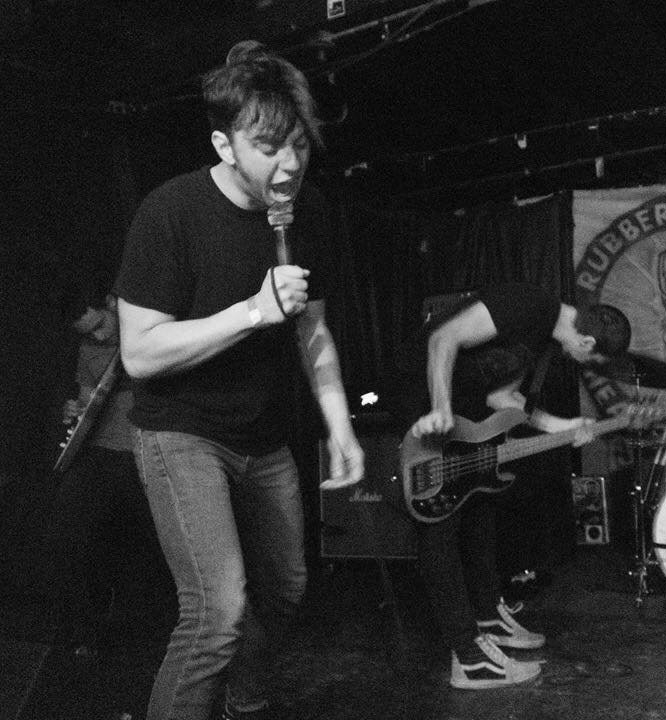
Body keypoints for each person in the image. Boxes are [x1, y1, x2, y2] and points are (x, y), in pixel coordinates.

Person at [114, 41, 364, 720]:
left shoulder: (310, 211)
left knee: (285, 590)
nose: (291, 165)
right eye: (269, 147)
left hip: (265, 438)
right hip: (182, 433)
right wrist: (251, 312)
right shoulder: (171, 212)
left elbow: (313, 331)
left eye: (300, 145)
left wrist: (340, 427)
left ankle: (242, 703)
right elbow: (140, 354)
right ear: (224, 146)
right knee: (217, 611)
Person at [396, 282, 631, 689]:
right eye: (591, 358)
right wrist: (440, 408)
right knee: (441, 528)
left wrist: (563, 426)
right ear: (587, 341)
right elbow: (442, 339)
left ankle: (488, 617)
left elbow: (502, 399)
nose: (584, 364)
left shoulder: (544, 340)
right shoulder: (530, 305)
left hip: (466, 421)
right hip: (425, 410)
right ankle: (469, 659)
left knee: (481, 509)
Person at [44, 285, 174, 656]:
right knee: (66, 536)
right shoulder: (88, 348)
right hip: (99, 456)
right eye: (88, 333)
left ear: (111, 304)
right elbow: (88, 401)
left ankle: (166, 637)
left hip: (145, 455)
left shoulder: (147, 335)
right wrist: (74, 409)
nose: (98, 336)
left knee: (157, 549)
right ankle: (86, 632)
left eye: (100, 325)